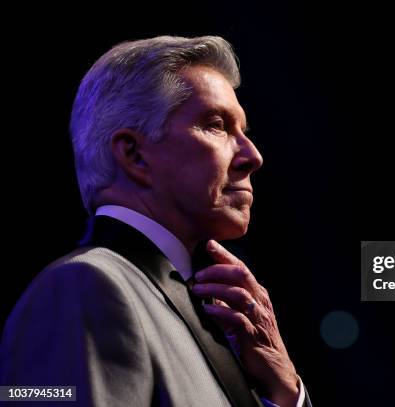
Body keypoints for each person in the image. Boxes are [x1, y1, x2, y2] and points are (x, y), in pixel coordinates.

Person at [0, 35, 311, 407]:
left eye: (244, 131)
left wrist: (285, 393)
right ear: (134, 154)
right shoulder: (83, 286)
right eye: (216, 125)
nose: (252, 155)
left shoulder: (216, 315)